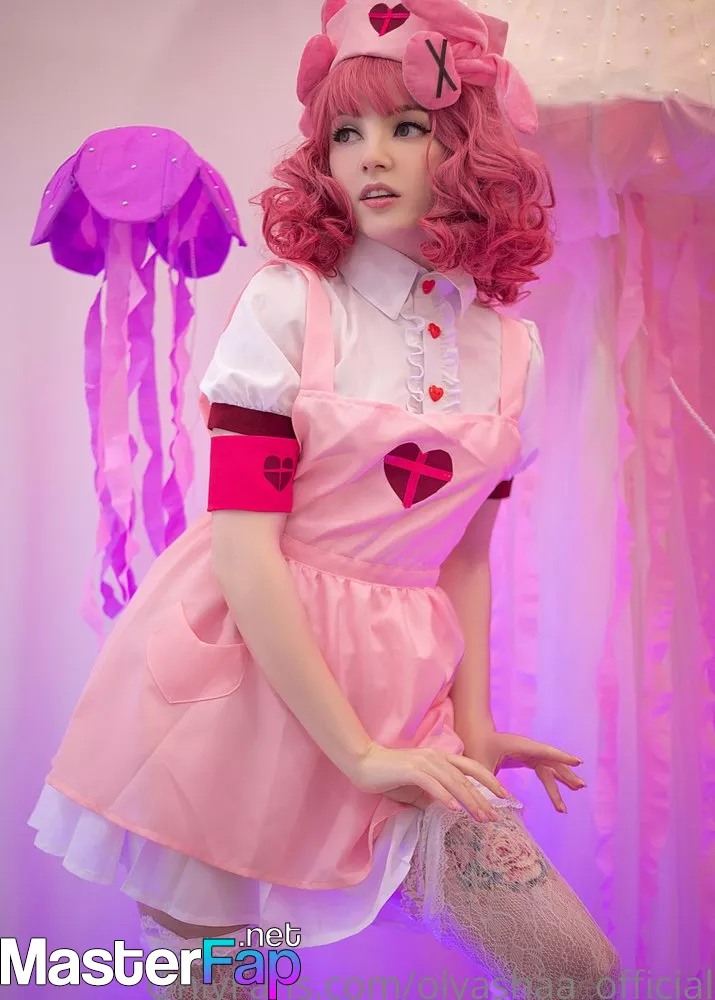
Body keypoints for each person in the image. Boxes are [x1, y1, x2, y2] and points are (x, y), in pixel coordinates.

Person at [28, 0, 621, 996]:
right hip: (242, 694)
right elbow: (243, 551)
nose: (370, 156)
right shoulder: (289, 307)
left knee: (573, 967)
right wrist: (355, 749)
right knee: (220, 985)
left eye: (405, 126)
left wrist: (471, 725)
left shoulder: (512, 349)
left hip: (407, 703)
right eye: (345, 132)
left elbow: (464, 556)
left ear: (469, 146)